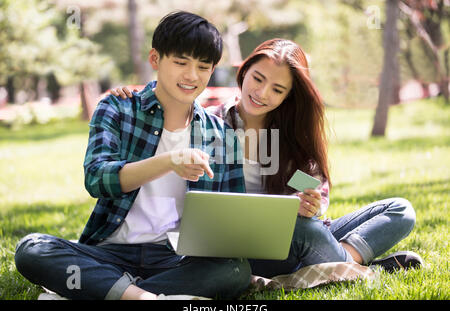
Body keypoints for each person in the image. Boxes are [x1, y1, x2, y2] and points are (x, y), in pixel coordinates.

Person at [112, 38, 423, 279]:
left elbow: (312, 189)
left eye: (276, 89)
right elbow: (167, 103)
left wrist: (310, 201)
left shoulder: (290, 139)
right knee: (307, 234)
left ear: (288, 96)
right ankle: (354, 266)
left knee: (400, 210)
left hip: (292, 237)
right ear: (244, 71)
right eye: (257, 78)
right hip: (236, 248)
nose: (261, 93)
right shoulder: (209, 123)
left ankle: (336, 260)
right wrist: (133, 98)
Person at [14, 11, 251, 300]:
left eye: (203, 67)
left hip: (176, 258)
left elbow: (233, 214)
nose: (192, 76)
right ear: (155, 59)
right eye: (180, 62)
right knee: (32, 248)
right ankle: (142, 296)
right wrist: (169, 161)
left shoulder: (221, 134)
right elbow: (97, 179)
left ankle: (114, 291)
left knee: (236, 269)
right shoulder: (117, 108)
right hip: (109, 252)